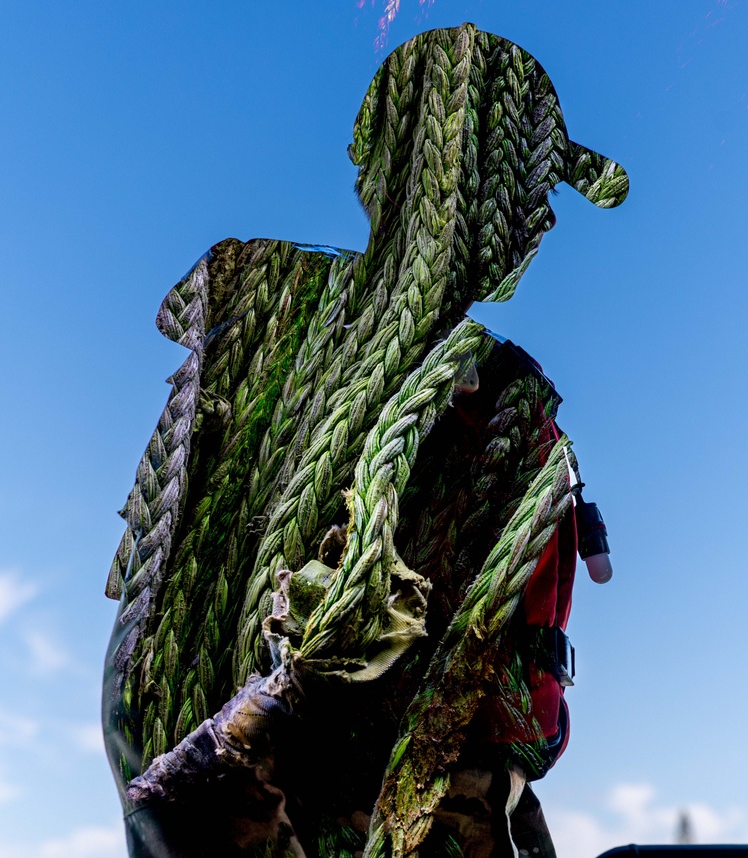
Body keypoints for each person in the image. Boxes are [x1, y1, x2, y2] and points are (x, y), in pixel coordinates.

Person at [102, 23, 628, 857]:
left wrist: (505, 800)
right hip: (334, 801)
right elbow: (163, 633)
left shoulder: (504, 388)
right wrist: (232, 763)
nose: (543, 222)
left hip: (458, 792)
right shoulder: (277, 323)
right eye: (529, 183)